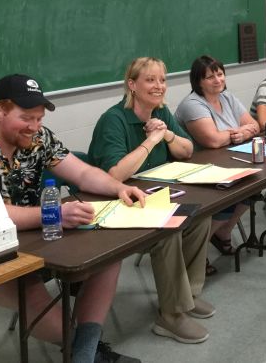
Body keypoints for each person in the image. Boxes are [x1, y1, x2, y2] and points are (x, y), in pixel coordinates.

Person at [0, 74, 145, 363]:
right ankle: (86, 350)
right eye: (27, 117)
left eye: (39, 118)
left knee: (109, 254)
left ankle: (83, 354)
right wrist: (52, 215)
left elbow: (81, 173)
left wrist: (118, 187)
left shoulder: (37, 138)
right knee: (34, 297)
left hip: (36, 240)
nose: (34, 126)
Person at [87, 58, 213, 345]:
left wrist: (166, 133)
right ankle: (170, 316)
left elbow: (187, 149)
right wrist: (151, 141)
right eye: (150, 80)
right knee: (167, 230)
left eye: (162, 80)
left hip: (151, 195)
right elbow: (116, 174)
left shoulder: (162, 112)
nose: (159, 86)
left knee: (199, 217)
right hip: (113, 200)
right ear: (132, 85)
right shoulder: (114, 119)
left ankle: (188, 298)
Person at [175, 55, 259, 253]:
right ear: (198, 82)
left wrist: (242, 132)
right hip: (198, 169)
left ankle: (223, 232)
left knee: (254, 188)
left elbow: (254, 124)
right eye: (210, 77)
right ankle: (196, 250)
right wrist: (237, 132)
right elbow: (211, 141)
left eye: (220, 74)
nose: (218, 80)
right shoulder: (192, 104)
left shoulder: (227, 97)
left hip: (229, 161)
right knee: (229, 198)